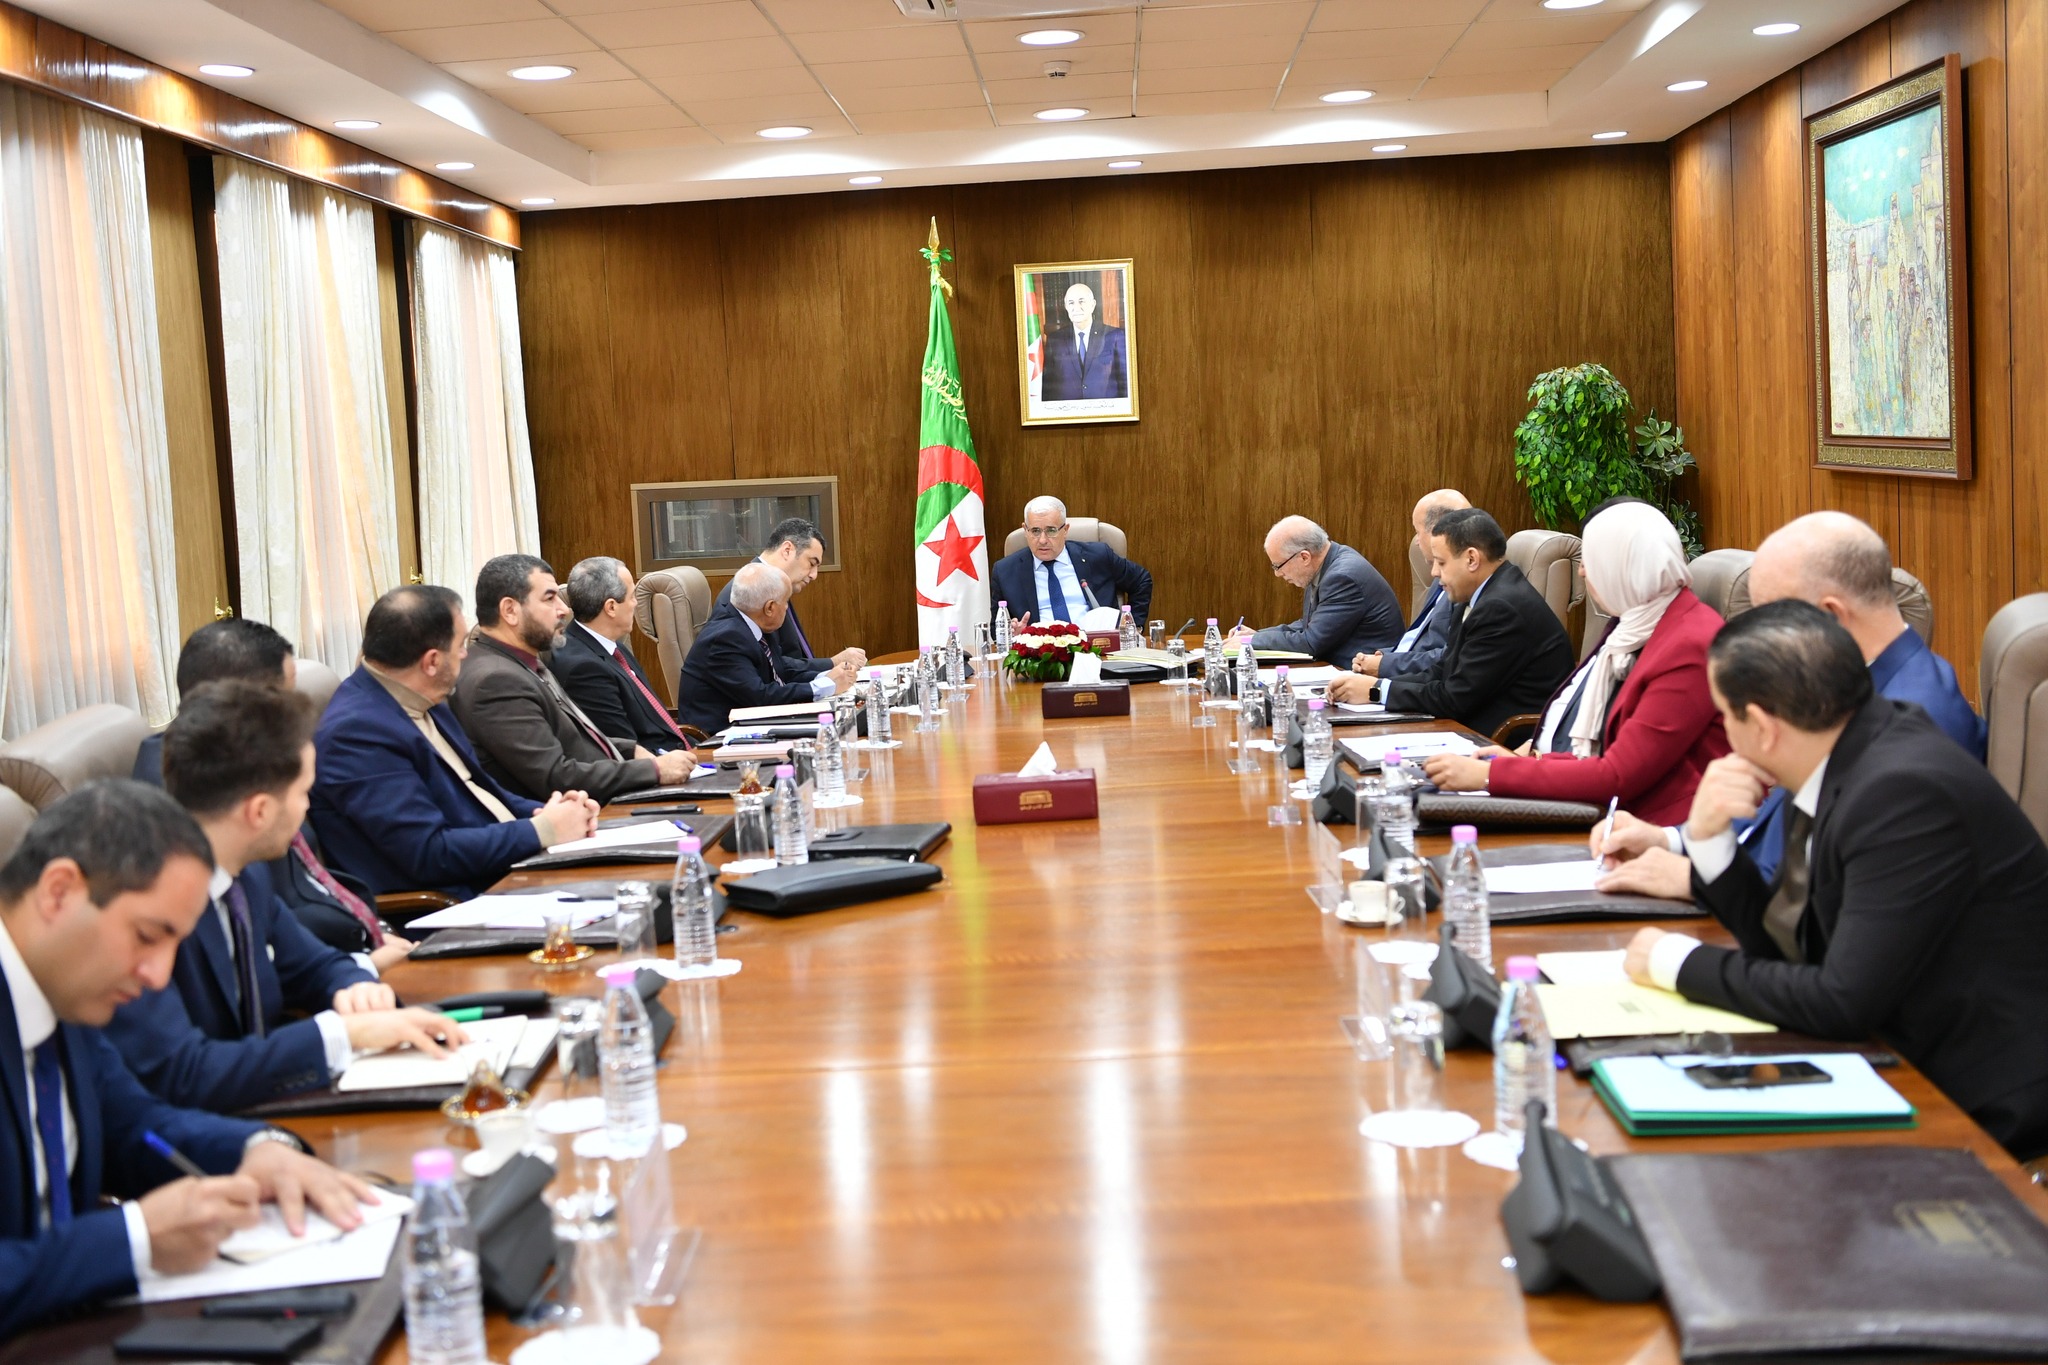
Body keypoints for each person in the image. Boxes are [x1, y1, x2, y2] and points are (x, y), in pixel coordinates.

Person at [1609, 602, 2048, 1161]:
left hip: (1973, 1100)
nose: (1725, 736)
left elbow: (1841, 1001)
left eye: (1725, 717)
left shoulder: (1903, 793)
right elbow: (1789, 949)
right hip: (1893, 1047)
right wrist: (1711, 842)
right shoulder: (1844, 751)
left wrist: (1676, 962)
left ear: (1763, 727)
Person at [0, 781, 377, 1337]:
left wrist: (256, 1149)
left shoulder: (62, 991)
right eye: (145, 936)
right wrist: (132, 1240)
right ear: (58, 892)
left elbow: (136, 1127)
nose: (157, 975)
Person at [106, 682, 469, 1113]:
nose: (306, 810)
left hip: (269, 1100)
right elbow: (185, 1074)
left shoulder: (247, 871)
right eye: (302, 793)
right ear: (259, 811)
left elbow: (313, 965)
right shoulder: (144, 909)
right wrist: (342, 1035)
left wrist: (353, 987)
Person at [1596, 510, 1986, 896]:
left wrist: (1696, 878)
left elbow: (1831, 896)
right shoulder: (1845, 688)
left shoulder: (1918, 723)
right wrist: (1669, 840)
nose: (1760, 639)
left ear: (1829, 617)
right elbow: (1777, 827)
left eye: (1771, 617)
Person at [1422, 501, 1729, 824]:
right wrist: (1520, 763)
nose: (1581, 571)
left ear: (1622, 567)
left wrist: (1490, 775)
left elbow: (1618, 776)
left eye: (1591, 561)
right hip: (1593, 804)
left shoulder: (1689, 644)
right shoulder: (1634, 623)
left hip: (1645, 826)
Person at [131, 620, 411, 971]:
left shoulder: (257, 756)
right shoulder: (197, 795)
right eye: (286, 694)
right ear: (246, 699)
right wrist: (363, 962)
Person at [311, 585, 597, 901]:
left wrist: (559, 812)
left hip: (504, 869)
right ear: (432, 661)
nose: (465, 654)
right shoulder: (356, 735)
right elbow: (428, 853)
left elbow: (481, 791)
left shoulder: (425, 697)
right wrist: (542, 830)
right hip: (455, 901)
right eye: (460, 645)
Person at [451, 554, 693, 805]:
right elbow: (556, 777)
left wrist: (629, 749)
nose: (564, 609)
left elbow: (570, 739)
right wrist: (654, 770)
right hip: (568, 816)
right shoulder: (496, 681)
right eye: (549, 598)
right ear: (510, 611)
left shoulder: (519, 663)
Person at [1329, 508, 1573, 738]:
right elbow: (1443, 670)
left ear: (1471, 559)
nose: (1434, 572)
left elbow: (1454, 698)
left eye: (1441, 562)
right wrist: (1376, 685)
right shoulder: (1474, 595)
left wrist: (1376, 691)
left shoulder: (1502, 608)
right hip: (1465, 722)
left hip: (1500, 738)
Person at [679, 564, 859, 736]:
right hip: (721, 737)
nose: (787, 608)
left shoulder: (754, 624)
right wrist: (826, 686)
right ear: (770, 608)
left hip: (754, 722)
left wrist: (827, 676)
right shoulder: (725, 639)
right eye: (786, 602)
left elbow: (780, 670)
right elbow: (761, 698)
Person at [552, 556, 698, 755]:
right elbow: (624, 750)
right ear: (611, 607)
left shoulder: (612, 646)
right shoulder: (583, 669)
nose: (636, 604)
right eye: (632, 596)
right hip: (659, 765)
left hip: (682, 753)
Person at [1232, 516, 1404, 664]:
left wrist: (1251, 641)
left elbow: (1311, 643)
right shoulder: (1327, 564)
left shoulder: (1342, 578)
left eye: (1278, 566)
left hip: (1362, 673)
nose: (1277, 574)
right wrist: (1258, 635)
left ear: (1304, 557)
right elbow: (1310, 625)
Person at [711, 519, 867, 682]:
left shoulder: (777, 585)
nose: (814, 575)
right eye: (811, 563)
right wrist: (832, 663)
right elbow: (770, 665)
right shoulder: (746, 592)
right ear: (787, 550)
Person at [1351, 489, 1469, 682]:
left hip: (1425, 684)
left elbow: (1449, 659)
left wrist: (1385, 666)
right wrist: (1386, 656)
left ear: (1438, 531)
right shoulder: (1439, 576)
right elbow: (1421, 641)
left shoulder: (1467, 585)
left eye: (1417, 532)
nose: (1417, 542)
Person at [988, 496, 1153, 627]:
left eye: (1051, 530)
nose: (1042, 540)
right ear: (1025, 530)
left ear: (1065, 530)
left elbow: (1141, 580)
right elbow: (997, 628)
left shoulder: (1098, 556)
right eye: (1035, 531)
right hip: (1040, 654)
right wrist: (1013, 634)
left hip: (1097, 648)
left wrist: (1133, 627)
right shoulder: (1004, 571)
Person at [1039, 281, 1128, 402]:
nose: (1076, 308)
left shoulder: (1114, 335)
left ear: (1093, 304)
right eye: (1071, 303)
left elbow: (1125, 382)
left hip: (1105, 410)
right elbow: (1048, 385)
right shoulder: (1055, 339)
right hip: (1067, 410)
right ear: (1066, 306)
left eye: (1081, 301)